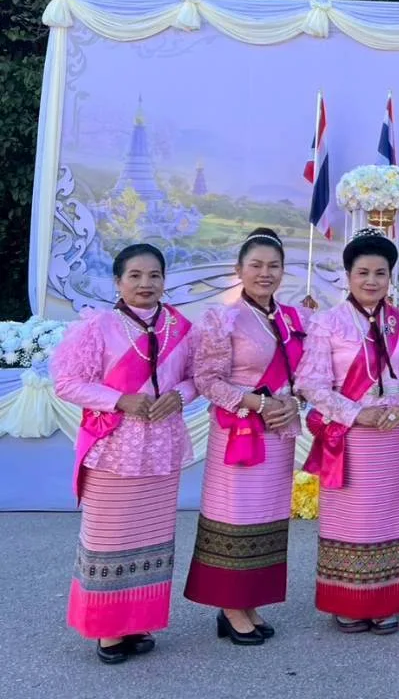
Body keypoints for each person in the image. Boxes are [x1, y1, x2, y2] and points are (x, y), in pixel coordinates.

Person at [52, 243, 197, 664]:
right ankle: (107, 629)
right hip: (113, 447)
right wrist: (119, 400)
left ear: (164, 280)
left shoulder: (181, 327)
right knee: (109, 536)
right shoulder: (97, 327)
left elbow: (196, 378)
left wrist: (179, 395)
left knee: (151, 536)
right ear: (118, 281)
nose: (145, 283)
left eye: (154, 275)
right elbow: (67, 383)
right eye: (135, 275)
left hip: (161, 448)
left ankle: (137, 620)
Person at [183, 228, 307, 645]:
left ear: (283, 271)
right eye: (255, 265)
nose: (264, 273)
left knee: (267, 516)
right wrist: (257, 403)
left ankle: (250, 600)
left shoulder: (295, 319)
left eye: (273, 266)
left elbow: (306, 374)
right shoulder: (222, 318)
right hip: (239, 431)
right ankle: (231, 605)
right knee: (235, 515)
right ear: (239, 269)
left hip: (278, 432)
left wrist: (294, 402)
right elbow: (207, 379)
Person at [295, 228, 399, 635]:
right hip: (349, 436)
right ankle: (347, 601)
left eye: (380, 273)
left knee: (386, 518)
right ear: (348, 275)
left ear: (391, 277)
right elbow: (311, 383)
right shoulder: (328, 323)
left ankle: (382, 601)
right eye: (363, 272)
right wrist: (356, 414)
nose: (371, 281)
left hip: (391, 435)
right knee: (350, 520)